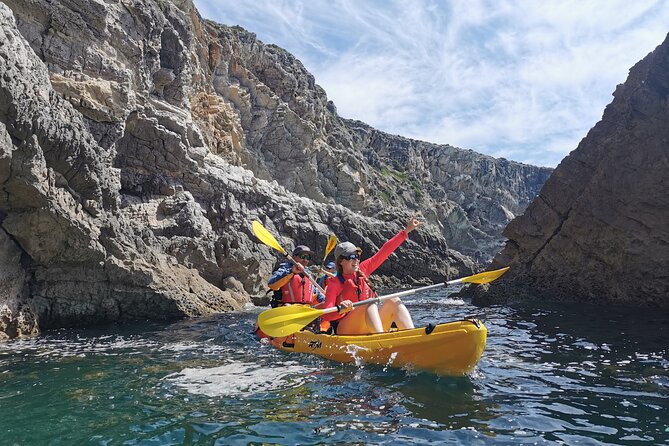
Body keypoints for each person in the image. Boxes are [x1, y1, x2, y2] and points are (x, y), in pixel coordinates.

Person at [322, 216, 420, 335]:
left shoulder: (362, 270)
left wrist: (406, 231)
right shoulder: (335, 283)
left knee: (394, 300)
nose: (356, 260)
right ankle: (380, 341)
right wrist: (341, 310)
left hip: (366, 327)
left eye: (357, 256)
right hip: (345, 330)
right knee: (368, 302)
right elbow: (327, 314)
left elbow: (384, 252)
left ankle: (413, 336)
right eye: (351, 257)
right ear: (341, 261)